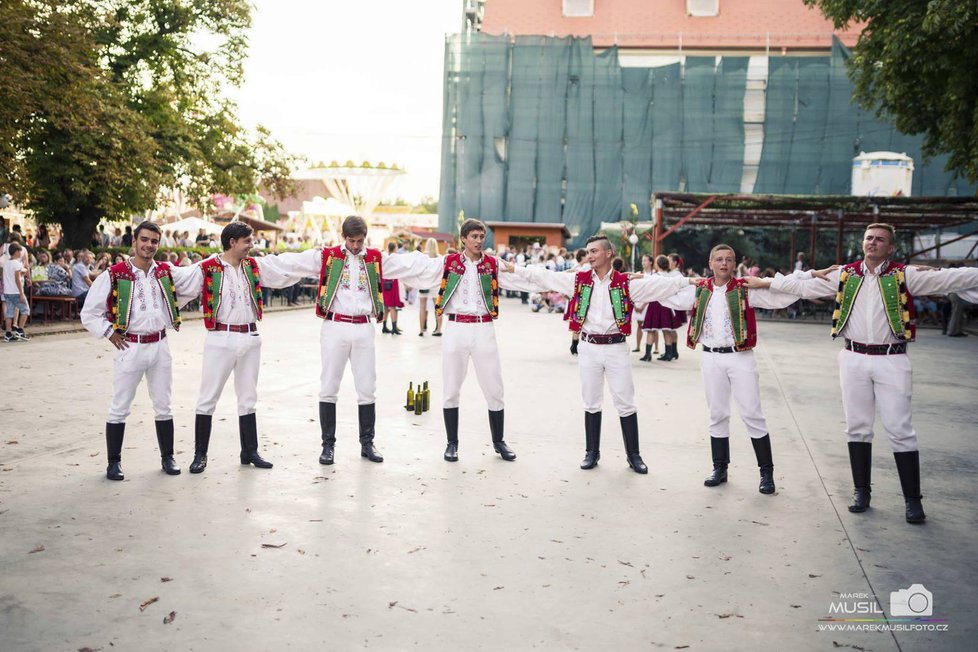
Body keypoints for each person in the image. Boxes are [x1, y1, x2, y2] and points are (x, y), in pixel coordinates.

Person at [754, 223, 978, 523]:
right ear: (862, 243)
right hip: (853, 356)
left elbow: (955, 277)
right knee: (857, 426)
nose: (872, 243)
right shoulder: (844, 273)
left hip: (892, 359)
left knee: (900, 429)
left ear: (890, 247)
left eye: (880, 239)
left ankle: (913, 500)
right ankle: (861, 491)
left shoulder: (905, 274)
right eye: (869, 238)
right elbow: (801, 287)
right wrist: (758, 283)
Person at [514, 236, 692, 473]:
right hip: (588, 346)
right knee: (591, 400)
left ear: (609, 253)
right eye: (588, 251)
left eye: (594, 251)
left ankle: (634, 456)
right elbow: (547, 277)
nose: (589, 256)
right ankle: (591, 452)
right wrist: (514, 268)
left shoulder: (625, 282)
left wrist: (693, 281)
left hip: (616, 347)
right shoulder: (579, 280)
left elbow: (662, 285)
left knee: (625, 401)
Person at [382, 219, 540, 462]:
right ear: (463, 238)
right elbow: (416, 266)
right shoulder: (448, 262)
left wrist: (548, 277)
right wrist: (374, 261)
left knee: (494, 387)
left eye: (481, 236)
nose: (479, 241)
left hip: (483, 327)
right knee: (451, 388)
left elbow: (523, 279)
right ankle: (452, 443)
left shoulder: (492, 264)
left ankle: (499, 442)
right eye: (474, 236)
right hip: (455, 327)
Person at [659, 244, 804, 493]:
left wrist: (769, 282)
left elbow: (788, 293)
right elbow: (664, 293)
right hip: (711, 357)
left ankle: (766, 473)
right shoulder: (700, 290)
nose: (723, 264)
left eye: (728, 259)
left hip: (740, 357)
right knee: (717, 413)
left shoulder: (745, 288)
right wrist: (645, 280)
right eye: (719, 259)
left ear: (734, 263)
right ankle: (720, 468)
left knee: (752, 414)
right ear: (711, 262)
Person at [80, 221, 200, 480]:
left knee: (164, 405)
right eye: (144, 239)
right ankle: (114, 462)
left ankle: (168, 457)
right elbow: (89, 312)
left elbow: (193, 279)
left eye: (154, 241)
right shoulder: (115, 274)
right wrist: (109, 333)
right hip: (130, 346)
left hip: (159, 344)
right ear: (134, 241)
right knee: (119, 406)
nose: (149, 245)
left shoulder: (165, 272)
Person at [272, 216, 395, 466]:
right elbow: (293, 262)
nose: (356, 246)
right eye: (352, 241)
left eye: (360, 241)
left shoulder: (373, 257)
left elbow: (410, 265)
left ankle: (367, 443)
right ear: (343, 237)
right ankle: (328, 446)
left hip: (363, 326)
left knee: (367, 387)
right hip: (335, 325)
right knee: (329, 385)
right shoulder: (327, 256)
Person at [184, 222, 303, 474]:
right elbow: (180, 288)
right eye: (248, 241)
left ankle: (249, 451)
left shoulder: (252, 266)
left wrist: (308, 266)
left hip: (250, 335)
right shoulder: (206, 268)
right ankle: (200, 454)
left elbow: (283, 271)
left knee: (248, 397)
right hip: (221, 336)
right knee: (208, 397)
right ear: (232, 242)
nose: (252, 245)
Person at [2, 243, 31, 342]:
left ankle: (8, 333)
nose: (21, 253)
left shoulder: (6, 263)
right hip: (16, 292)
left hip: (7, 291)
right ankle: (20, 330)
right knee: (25, 310)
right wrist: (21, 293)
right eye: (20, 251)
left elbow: (13, 274)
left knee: (9, 313)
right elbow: (17, 278)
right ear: (16, 252)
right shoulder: (17, 264)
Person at [417, 238, 443, 337]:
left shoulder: (423, 256)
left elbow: (419, 270)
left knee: (422, 307)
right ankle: (439, 329)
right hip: (436, 285)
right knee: (438, 308)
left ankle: (421, 330)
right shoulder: (440, 257)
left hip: (424, 284)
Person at [381, 241, 403, 334]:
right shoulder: (395, 258)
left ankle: (384, 326)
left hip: (384, 282)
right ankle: (394, 328)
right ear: (395, 248)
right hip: (392, 283)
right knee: (392, 306)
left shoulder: (385, 256)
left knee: (386, 306)